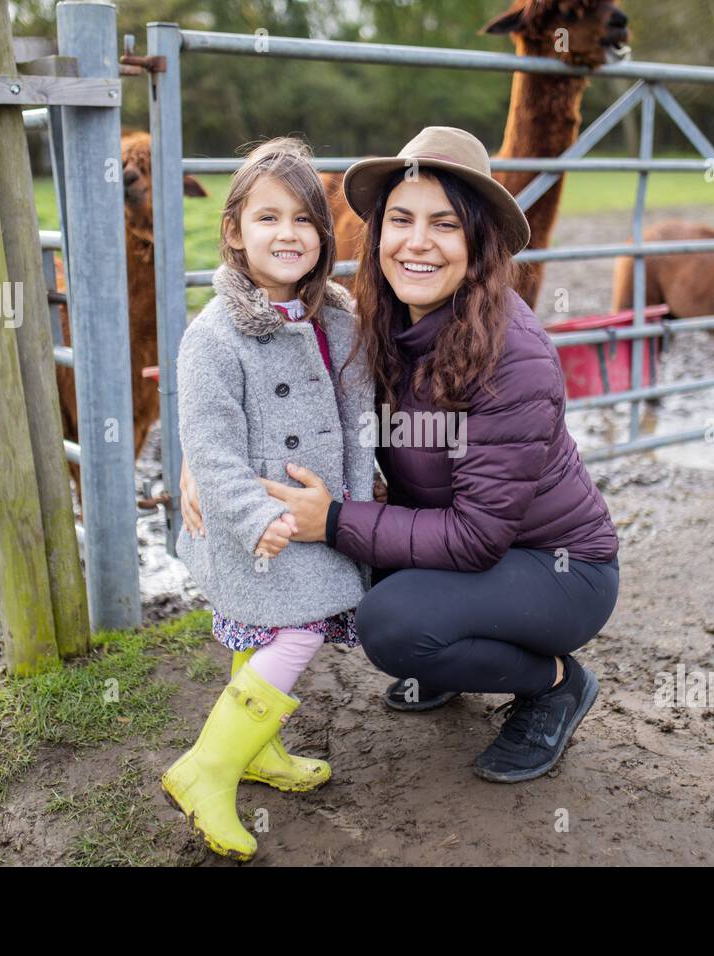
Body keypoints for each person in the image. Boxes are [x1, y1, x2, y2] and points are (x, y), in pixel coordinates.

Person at [185, 127, 622, 785]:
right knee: (381, 584)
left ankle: (555, 682)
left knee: (391, 623)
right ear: (377, 232)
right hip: (463, 541)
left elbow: (477, 537)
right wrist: (205, 458)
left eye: (444, 224)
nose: (417, 241)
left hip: (557, 568)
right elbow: (275, 408)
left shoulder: (515, 358)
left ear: (479, 244)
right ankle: (454, 656)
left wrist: (332, 522)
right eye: (401, 220)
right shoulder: (376, 321)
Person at [163, 136, 375, 861]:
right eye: (268, 218)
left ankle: (260, 749)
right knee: (298, 631)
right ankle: (209, 768)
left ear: (324, 233)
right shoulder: (214, 336)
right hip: (256, 524)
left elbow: (358, 417)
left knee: (266, 632)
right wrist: (255, 518)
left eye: (305, 220)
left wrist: (360, 497)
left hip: (318, 516)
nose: (288, 234)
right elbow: (211, 445)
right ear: (234, 232)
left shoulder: (337, 318)